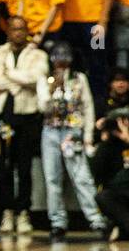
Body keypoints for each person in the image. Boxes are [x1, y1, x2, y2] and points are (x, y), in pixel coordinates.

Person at [36, 41, 106, 240]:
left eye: (65, 55)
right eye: (57, 56)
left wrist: (88, 136)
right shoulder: (45, 79)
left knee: (81, 176)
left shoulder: (79, 78)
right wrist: (52, 89)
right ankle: (57, 222)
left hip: (73, 131)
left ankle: (95, 219)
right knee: (52, 178)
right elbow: (42, 107)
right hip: (50, 131)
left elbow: (88, 108)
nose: (61, 60)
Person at [0, 15, 48, 233]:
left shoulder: (38, 54)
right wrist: (19, 80)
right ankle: (6, 212)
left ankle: (24, 212)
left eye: (22, 29)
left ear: (27, 30)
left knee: (24, 166)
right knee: (4, 165)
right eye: (14, 29)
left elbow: (38, 78)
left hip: (27, 114)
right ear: (8, 31)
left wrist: (10, 75)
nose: (18, 33)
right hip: (2, 113)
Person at [93, 105, 129, 242]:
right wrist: (104, 140)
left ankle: (127, 229)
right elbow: (97, 172)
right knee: (102, 197)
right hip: (118, 194)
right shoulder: (109, 146)